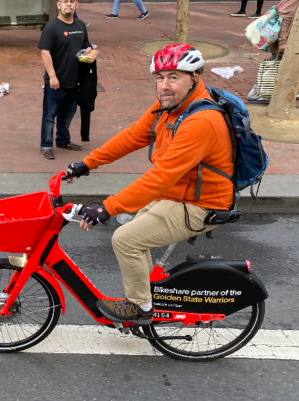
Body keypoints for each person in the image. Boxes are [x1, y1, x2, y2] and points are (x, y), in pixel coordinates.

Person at [64, 44, 233, 325]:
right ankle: (148, 295)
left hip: (201, 204)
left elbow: (161, 176)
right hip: (178, 193)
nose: (164, 86)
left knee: (125, 239)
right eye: (159, 77)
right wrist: (88, 163)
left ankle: (141, 307)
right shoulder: (170, 106)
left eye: (174, 77)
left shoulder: (202, 120)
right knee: (133, 231)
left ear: (195, 77)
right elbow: (132, 136)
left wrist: (107, 208)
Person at [38, 0, 92, 160]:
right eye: (65, 1)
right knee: (49, 116)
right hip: (55, 83)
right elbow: (44, 53)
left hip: (74, 81)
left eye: (72, 2)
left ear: (77, 5)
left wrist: (89, 48)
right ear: (59, 5)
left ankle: (63, 141)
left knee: (67, 115)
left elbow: (85, 43)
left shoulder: (81, 25)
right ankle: (46, 145)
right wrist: (52, 77)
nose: (68, 4)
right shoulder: (51, 28)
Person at [77, 59, 97, 142]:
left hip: (86, 79)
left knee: (85, 106)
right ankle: (63, 139)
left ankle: (85, 136)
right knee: (66, 110)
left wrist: (88, 47)